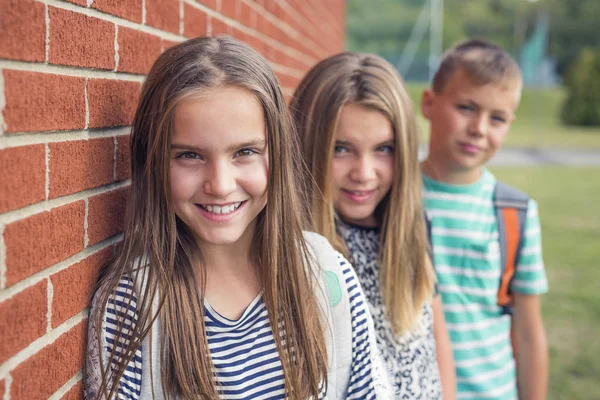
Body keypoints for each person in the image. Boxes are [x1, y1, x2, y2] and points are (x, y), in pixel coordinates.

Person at [84, 36, 391, 400]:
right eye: (190, 156)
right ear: (153, 162)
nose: (220, 185)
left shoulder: (327, 275)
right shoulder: (132, 303)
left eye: (244, 151)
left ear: (277, 153)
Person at [291, 52, 456, 399]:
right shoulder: (296, 248)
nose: (364, 173)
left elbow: (435, 334)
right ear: (309, 145)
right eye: (340, 149)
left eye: (383, 149)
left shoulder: (411, 225)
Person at [420, 38, 549, 399]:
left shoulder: (516, 213)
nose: (479, 128)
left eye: (497, 118)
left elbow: (528, 330)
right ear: (429, 104)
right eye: (466, 107)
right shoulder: (392, 197)